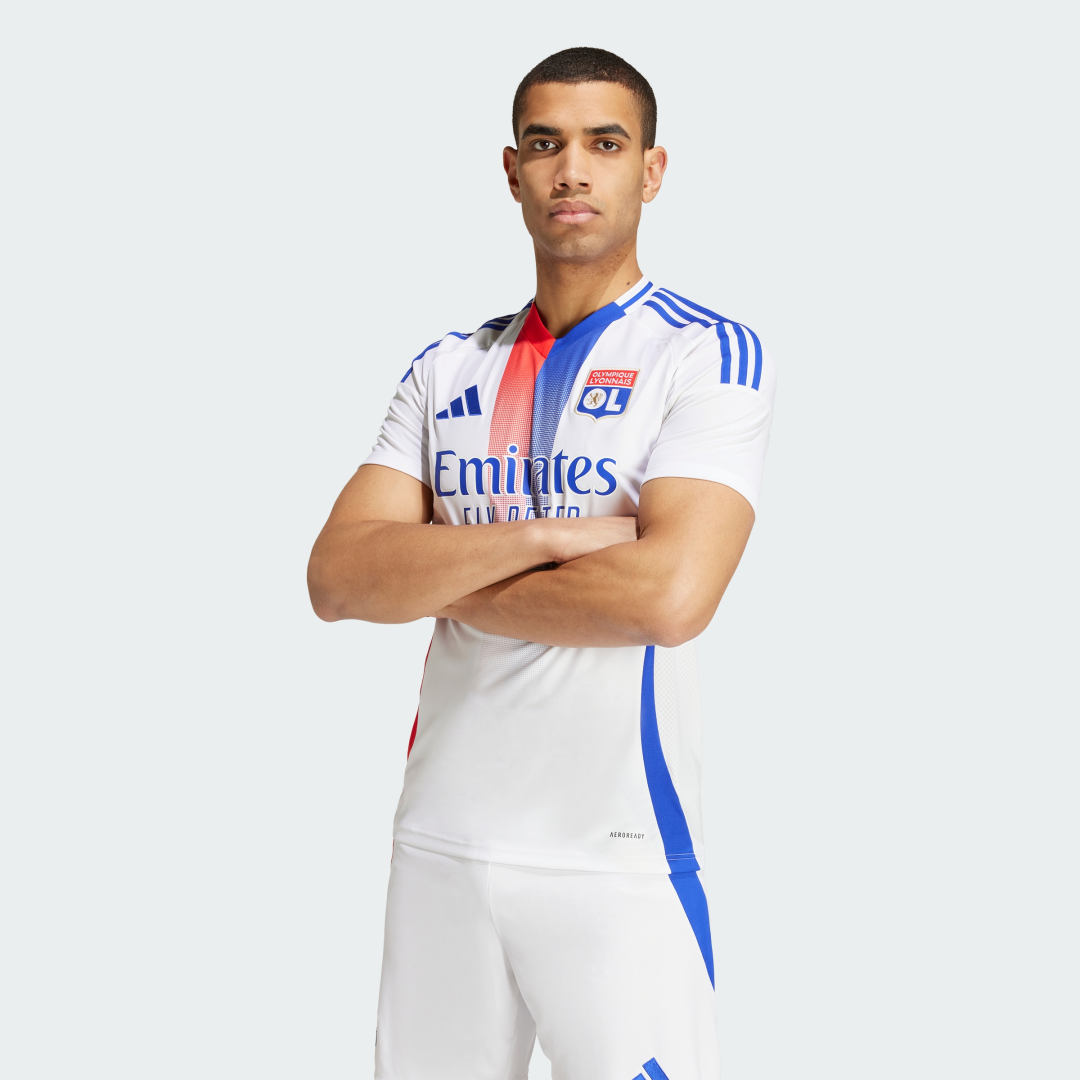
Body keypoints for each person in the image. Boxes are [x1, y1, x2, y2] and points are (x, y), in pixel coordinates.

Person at [308, 45, 776, 1080]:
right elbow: (338, 579)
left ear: (652, 169)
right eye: (545, 143)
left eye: (605, 144)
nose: (572, 170)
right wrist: (553, 537)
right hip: (440, 843)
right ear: (511, 170)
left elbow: (670, 595)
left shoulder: (704, 353)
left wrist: (437, 572)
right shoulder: (445, 367)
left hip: (613, 856)